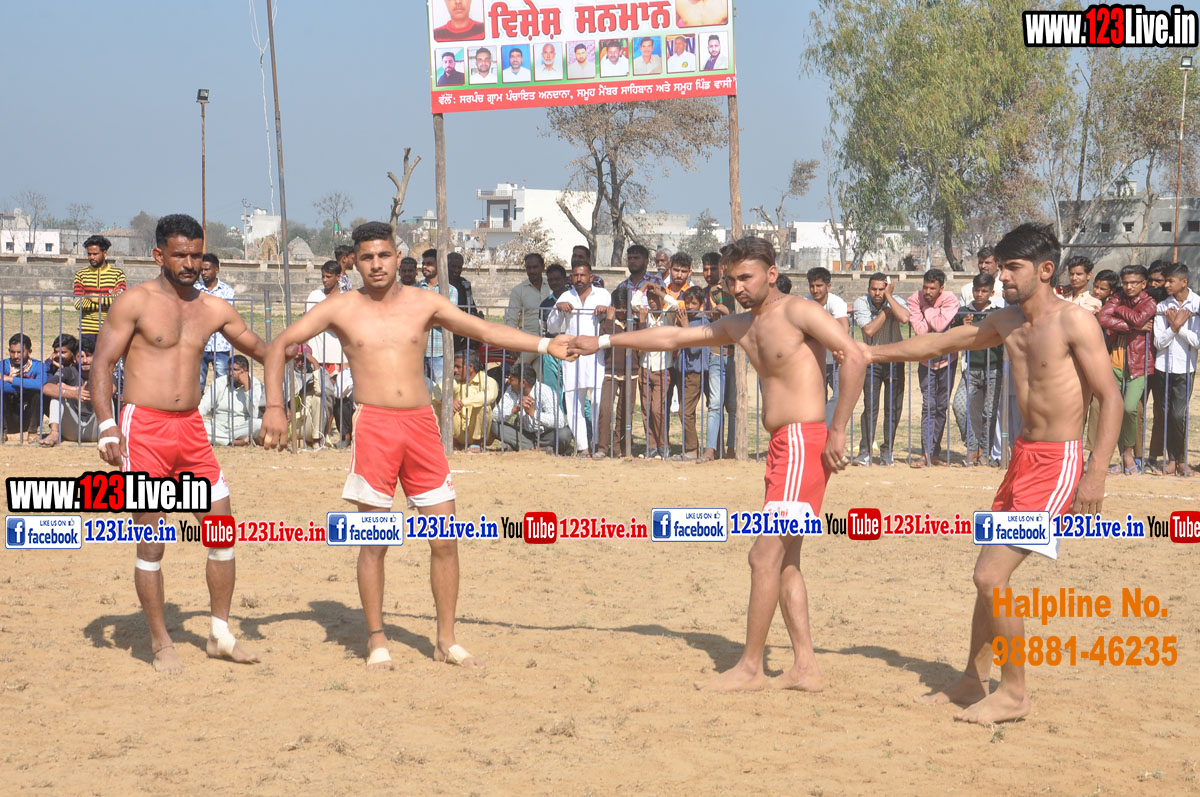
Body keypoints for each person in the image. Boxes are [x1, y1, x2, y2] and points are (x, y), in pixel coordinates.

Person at [260, 221, 572, 670]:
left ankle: (446, 640)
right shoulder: (340, 307)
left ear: (396, 256)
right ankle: (377, 640)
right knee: (375, 541)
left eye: (384, 255)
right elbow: (280, 345)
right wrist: (275, 406)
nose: (377, 265)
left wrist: (546, 344)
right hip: (375, 427)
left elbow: (484, 330)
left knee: (445, 538)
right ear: (354, 262)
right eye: (367, 257)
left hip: (422, 426)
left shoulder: (425, 303)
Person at [569, 236, 867, 692]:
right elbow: (672, 336)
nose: (737, 288)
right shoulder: (741, 324)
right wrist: (604, 340)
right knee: (786, 561)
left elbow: (855, 356)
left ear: (771, 273)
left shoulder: (799, 312)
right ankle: (805, 667)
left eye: (745, 278)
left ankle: (750, 668)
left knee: (762, 556)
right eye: (730, 280)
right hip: (783, 448)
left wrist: (839, 427)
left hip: (802, 444)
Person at [853, 222, 1121, 723]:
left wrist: (1096, 472)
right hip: (1021, 459)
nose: (1004, 278)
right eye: (1002, 269)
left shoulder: (1075, 323)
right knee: (986, 578)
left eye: (1013, 268)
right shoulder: (1006, 322)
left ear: (1046, 269)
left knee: (990, 575)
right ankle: (973, 680)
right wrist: (871, 352)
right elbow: (940, 344)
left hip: (1058, 463)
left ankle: (1014, 693)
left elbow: (1111, 399)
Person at [91, 213, 270, 673]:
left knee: (222, 532)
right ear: (159, 255)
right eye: (180, 255)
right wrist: (107, 425)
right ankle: (160, 642)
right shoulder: (135, 301)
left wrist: (305, 344)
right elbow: (101, 364)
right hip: (144, 429)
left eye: (196, 254)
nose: (190, 263)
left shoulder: (213, 308)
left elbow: (263, 349)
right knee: (152, 543)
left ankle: (220, 635)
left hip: (191, 429)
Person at [547, 261, 611, 455]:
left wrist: (605, 310)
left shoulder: (603, 295)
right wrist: (558, 308)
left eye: (583, 275)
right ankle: (583, 447)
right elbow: (552, 327)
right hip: (573, 355)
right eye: (575, 275)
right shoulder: (566, 296)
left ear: (591, 277)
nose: (579, 279)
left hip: (596, 355)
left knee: (598, 400)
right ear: (571, 278)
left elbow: (611, 318)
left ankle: (598, 444)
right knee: (573, 401)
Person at [1098, 265, 1156, 475]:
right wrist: (1131, 326)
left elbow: (1141, 319)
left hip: (1138, 364)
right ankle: (1121, 456)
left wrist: (1120, 311)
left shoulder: (1149, 302)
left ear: (1143, 284)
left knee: (1130, 408)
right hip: (1114, 361)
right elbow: (1102, 318)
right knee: (1112, 409)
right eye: (1125, 283)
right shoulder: (1118, 296)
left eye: (1133, 283)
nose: (1128, 287)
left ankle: (1129, 452)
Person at [851, 273, 908, 466]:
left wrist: (889, 298)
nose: (877, 293)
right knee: (870, 407)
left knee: (893, 407)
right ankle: (865, 451)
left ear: (887, 288)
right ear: (868, 289)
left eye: (881, 289)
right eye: (873, 289)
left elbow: (904, 318)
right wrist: (886, 311)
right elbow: (868, 330)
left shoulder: (896, 300)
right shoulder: (861, 302)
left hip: (894, 360)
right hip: (871, 360)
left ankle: (887, 450)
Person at [950, 273, 1005, 466]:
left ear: (992, 292)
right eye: (976, 290)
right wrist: (963, 327)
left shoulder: (998, 312)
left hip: (993, 368)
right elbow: (953, 337)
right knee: (958, 406)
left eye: (984, 291)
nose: (979, 294)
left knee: (989, 413)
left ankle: (984, 452)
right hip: (971, 368)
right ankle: (972, 446)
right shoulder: (963, 312)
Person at [907, 268, 960, 466]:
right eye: (925, 287)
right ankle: (925, 453)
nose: (927, 292)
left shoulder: (951, 299)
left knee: (941, 407)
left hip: (948, 361)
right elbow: (921, 331)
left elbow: (939, 325)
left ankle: (934, 452)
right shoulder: (914, 298)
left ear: (941, 288)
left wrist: (926, 311)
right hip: (926, 362)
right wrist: (933, 315)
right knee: (928, 406)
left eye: (932, 288)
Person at [1149, 262, 1197, 477]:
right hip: (1163, 367)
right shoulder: (1162, 307)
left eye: (1170, 281)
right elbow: (1158, 342)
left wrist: (1178, 327)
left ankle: (1182, 459)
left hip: (1185, 368)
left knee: (1178, 415)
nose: (1166, 285)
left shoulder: (1196, 304)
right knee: (1165, 414)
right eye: (1165, 281)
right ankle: (1172, 459)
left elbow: (1197, 341)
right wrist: (1174, 327)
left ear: (1184, 282)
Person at [306, 260, 353, 447]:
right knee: (321, 396)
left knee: (338, 397)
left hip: (339, 355)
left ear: (338, 277)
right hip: (318, 354)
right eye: (323, 276)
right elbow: (311, 322)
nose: (324, 280)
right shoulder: (314, 296)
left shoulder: (346, 298)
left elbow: (343, 324)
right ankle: (319, 435)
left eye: (328, 276)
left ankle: (342, 435)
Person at [491, 367, 573, 452]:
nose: (509, 382)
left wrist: (534, 413)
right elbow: (495, 415)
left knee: (565, 434)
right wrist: (515, 409)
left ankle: (523, 447)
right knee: (495, 427)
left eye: (511, 380)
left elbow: (560, 421)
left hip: (545, 435)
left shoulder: (545, 391)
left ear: (523, 382)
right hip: (523, 435)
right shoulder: (511, 390)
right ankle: (536, 448)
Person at [432, 350, 500, 452]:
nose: (455, 370)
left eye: (458, 367)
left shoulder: (488, 381)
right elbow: (436, 392)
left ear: (470, 367)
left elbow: (490, 396)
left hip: (479, 432)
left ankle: (477, 443)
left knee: (483, 405)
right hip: (458, 431)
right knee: (437, 403)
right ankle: (452, 440)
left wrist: (462, 403)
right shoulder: (454, 381)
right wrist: (448, 401)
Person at [636, 282, 675, 458]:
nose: (652, 301)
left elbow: (674, 304)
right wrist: (645, 286)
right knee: (646, 408)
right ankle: (651, 446)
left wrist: (660, 293)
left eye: (655, 298)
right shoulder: (645, 315)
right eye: (650, 298)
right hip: (645, 366)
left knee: (657, 409)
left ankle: (663, 445)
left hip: (662, 368)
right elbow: (633, 303)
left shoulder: (667, 316)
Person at [700, 252, 732, 462]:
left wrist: (727, 313)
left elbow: (738, 315)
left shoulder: (742, 289)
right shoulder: (714, 291)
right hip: (715, 352)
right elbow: (716, 314)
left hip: (737, 353)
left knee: (734, 406)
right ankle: (710, 449)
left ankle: (733, 448)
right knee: (714, 403)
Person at [807, 267, 848, 427]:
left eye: (819, 285)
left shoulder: (836, 303)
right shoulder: (805, 303)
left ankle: (824, 429)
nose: (815, 290)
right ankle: (818, 434)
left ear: (828, 286)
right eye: (812, 286)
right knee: (815, 401)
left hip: (836, 360)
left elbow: (843, 330)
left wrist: (817, 333)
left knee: (840, 397)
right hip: (814, 362)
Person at [40, 336, 99, 446]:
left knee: (109, 397)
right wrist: (73, 393)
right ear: (75, 359)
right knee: (57, 393)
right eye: (80, 357)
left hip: (97, 430)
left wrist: (94, 393)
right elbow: (46, 388)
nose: (85, 360)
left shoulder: (102, 372)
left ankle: (110, 436)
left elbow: (113, 389)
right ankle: (54, 433)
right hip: (72, 429)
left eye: (88, 356)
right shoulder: (68, 371)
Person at [199, 355, 265, 446]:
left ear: (245, 372)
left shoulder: (256, 385)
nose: (230, 373)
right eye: (229, 369)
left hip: (240, 428)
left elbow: (255, 415)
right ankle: (233, 441)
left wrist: (247, 388)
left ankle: (220, 439)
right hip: (218, 426)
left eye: (235, 370)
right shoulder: (219, 383)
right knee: (196, 424)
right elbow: (203, 406)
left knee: (260, 424)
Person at [73, 234, 126, 350]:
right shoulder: (81, 274)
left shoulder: (117, 274)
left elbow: (120, 301)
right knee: (87, 360)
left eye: (95, 254)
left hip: (110, 329)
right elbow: (77, 303)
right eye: (89, 254)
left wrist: (92, 297)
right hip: (87, 330)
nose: (91, 257)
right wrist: (108, 299)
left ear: (105, 253)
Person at [676, 287, 710, 460]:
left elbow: (695, 348)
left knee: (685, 411)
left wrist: (685, 327)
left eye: (694, 303)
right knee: (687, 412)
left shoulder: (703, 321)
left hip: (696, 371)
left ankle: (692, 449)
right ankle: (693, 447)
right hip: (684, 370)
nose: (689, 307)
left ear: (702, 304)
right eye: (687, 303)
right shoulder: (684, 318)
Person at [506, 252, 552, 375]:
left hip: (549, 340)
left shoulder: (552, 286)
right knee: (517, 375)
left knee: (541, 379)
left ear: (542, 267)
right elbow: (511, 319)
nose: (532, 271)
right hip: (527, 340)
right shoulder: (518, 290)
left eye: (535, 267)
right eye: (528, 268)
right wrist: (511, 344)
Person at [196, 253, 237, 387]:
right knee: (197, 383)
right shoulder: (195, 290)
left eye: (207, 269)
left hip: (220, 345)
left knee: (223, 383)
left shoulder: (227, 292)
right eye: (202, 270)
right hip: (200, 344)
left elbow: (226, 317)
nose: (203, 273)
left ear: (216, 270)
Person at [420, 248, 458, 386]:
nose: (425, 267)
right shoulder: (415, 288)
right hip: (419, 351)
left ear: (439, 266)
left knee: (442, 390)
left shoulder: (450, 291)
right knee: (420, 390)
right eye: (423, 263)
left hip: (440, 351)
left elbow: (448, 319)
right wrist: (434, 318)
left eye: (429, 264)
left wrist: (421, 319)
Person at [2, 333, 48, 439]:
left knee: (38, 394)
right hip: (8, 418)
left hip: (28, 418)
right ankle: (2, 432)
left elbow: (40, 385)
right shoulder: (3, 365)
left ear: (29, 351)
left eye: (20, 352)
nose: (15, 356)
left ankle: (32, 433)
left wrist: (10, 379)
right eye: (12, 352)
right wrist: (29, 385)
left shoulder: (38, 366)